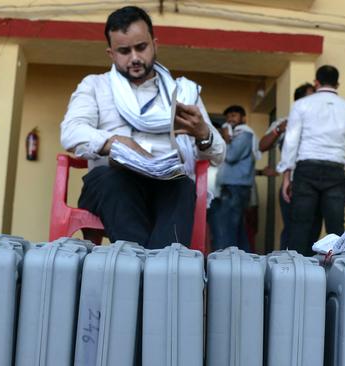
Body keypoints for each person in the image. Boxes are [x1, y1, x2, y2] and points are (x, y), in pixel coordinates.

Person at [60, 6, 225, 249]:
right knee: (113, 180)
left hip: (165, 184)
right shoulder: (95, 86)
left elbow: (219, 153)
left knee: (183, 187)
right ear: (111, 54)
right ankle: (142, 267)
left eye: (141, 47)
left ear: (155, 44)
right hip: (111, 183)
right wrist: (114, 143)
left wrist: (202, 133)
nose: (135, 57)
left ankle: (155, 268)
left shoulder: (183, 93)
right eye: (124, 51)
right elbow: (71, 131)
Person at [277, 65, 345, 256]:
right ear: (338, 84)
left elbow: (291, 142)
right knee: (335, 227)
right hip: (335, 172)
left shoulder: (302, 105)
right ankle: (338, 276)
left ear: (316, 82)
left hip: (306, 169)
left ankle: (296, 274)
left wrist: (286, 176)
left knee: (300, 224)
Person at [258, 83, 316, 250]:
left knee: (312, 229)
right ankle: (287, 270)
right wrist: (278, 130)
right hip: (292, 184)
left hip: (316, 183)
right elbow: (262, 146)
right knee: (292, 228)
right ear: (300, 100)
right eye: (311, 96)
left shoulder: (321, 122)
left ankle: (310, 270)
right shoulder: (285, 121)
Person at [208, 105, 259, 252]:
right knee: (236, 227)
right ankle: (241, 261)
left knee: (228, 227)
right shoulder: (235, 135)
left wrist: (225, 138)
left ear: (243, 118)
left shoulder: (245, 135)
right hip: (232, 186)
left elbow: (230, 156)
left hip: (235, 187)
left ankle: (227, 262)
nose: (230, 119)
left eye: (234, 116)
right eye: (228, 116)